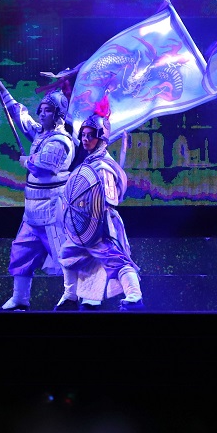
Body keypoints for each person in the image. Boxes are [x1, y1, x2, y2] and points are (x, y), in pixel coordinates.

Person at [0, 76, 76, 311]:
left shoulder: (61, 140)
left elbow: (44, 166)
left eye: (48, 111)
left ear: (58, 115)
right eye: (42, 110)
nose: (42, 114)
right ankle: (20, 298)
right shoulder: (40, 134)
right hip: (32, 211)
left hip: (53, 209)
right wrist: (3, 91)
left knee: (64, 253)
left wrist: (26, 161)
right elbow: (21, 116)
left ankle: (72, 296)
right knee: (21, 251)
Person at [57, 96, 144, 311]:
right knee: (67, 253)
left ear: (101, 137)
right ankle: (70, 296)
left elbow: (108, 199)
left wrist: (93, 210)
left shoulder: (104, 166)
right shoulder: (89, 163)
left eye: (90, 135)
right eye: (83, 135)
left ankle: (135, 297)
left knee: (116, 260)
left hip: (103, 223)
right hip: (85, 223)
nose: (85, 139)